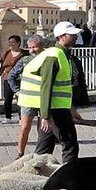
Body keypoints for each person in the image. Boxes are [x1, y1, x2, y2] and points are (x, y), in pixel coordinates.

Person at [19, 25, 80, 164]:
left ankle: (34, 174)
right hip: (54, 110)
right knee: (70, 144)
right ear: (61, 37)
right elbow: (46, 87)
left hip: (53, 109)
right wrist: (45, 116)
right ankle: (69, 178)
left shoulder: (60, 54)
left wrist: (70, 109)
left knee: (44, 149)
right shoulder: (54, 55)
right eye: (72, 35)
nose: (76, 37)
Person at [6, 36, 43, 154]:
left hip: (43, 99)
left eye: (35, 47)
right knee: (25, 127)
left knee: (42, 129)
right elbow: (11, 76)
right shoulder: (25, 60)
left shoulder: (47, 60)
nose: (32, 50)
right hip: (28, 99)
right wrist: (17, 91)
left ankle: (40, 152)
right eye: (30, 47)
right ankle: (20, 153)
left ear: (41, 46)